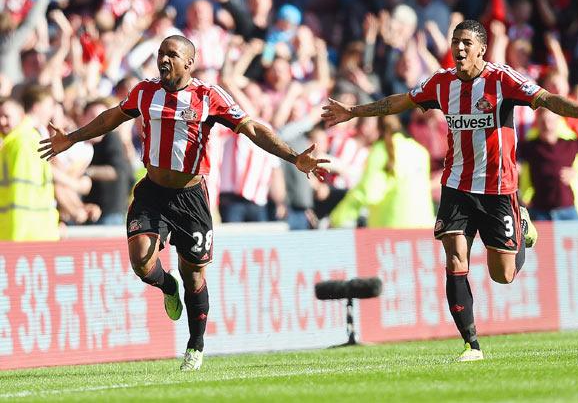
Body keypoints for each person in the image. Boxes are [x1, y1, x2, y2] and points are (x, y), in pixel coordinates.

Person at [322, 19, 578, 362]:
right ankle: (472, 344)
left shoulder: (502, 80)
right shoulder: (441, 83)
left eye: (467, 43)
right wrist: (353, 111)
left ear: (481, 48)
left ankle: (521, 225)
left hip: (499, 189)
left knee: (504, 276)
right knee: (455, 258)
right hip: (456, 186)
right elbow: (399, 102)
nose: (459, 48)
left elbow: (549, 101)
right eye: (456, 42)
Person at [38, 35, 329, 371]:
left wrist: (294, 158)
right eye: (161, 53)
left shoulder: (209, 96)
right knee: (142, 263)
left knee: (195, 276)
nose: (164, 59)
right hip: (152, 192)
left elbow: (251, 129)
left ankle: (195, 345)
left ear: (190, 62)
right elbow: (111, 118)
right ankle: (166, 284)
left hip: (191, 198)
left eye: (172, 55)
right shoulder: (145, 92)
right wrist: (71, 138)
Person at [329, 114, 434, 228]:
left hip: (391, 230)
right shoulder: (420, 150)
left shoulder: (381, 150)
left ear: (377, 127)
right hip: (424, 229)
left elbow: (368, 192)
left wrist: (337, 218)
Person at [0, 97, 59, 241]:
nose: (2, 121)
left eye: (7, 116)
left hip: (24, 234)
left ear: (21, 116)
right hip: (30, 232)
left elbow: (22, 195)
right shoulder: (13, 142)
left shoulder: (22, 142)